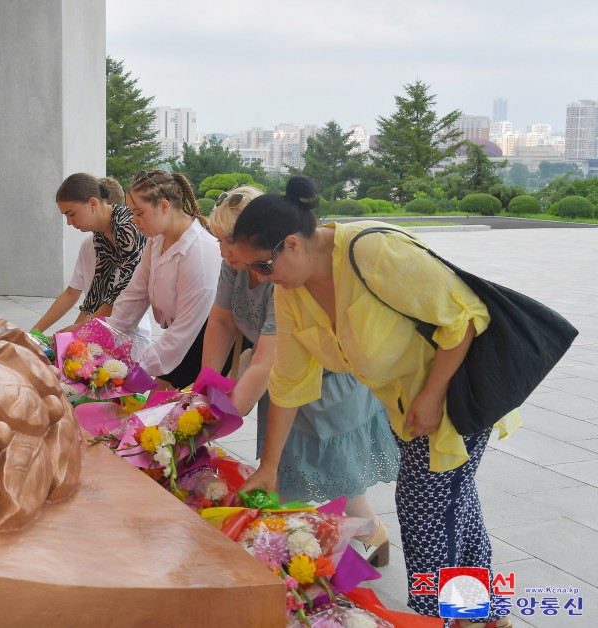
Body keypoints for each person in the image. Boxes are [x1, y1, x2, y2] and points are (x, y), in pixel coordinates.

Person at [231, 176, 519, 627]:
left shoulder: (372, 252)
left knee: (425, 513)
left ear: (291, 245)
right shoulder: (293, 290)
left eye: (261, 266)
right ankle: (485, 613)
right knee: (453, 503)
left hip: (456, 394)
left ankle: (440, 619)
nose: (257, 278)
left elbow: (464, 317)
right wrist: (268, 467)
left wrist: (432, 393)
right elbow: (288, 380)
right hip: (406, 408)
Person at [201, 184, 399, 566]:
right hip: (284, 380)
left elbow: (267, 359)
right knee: (284, 464)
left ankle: (321, 545)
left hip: (323, 377)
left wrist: (215, 420)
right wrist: (206, 388)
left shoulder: (281, 274)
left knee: (332, 463)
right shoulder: (238, 265)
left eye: (231, 241)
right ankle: (311, 544)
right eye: (221, 241)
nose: (226, 252)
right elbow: (222, 321)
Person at [106, 168, 228, 389]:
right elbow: (134, 295)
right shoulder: (156, 241)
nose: (134, 220)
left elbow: (185, 331)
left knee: (160, 414)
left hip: (205, 343)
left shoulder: (199, 252)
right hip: (181, 339)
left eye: (139, 213)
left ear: (164, 205)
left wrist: (139, 368)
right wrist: (105, 341)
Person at [32, 174, 151, 349]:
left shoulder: (127, 228)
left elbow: (121, 294)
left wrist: (76, 330)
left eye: (72, 214)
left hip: (131, 334)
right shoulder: (100, 235)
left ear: (93, 203)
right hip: (108, 328)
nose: (69, 222)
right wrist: (39, 334)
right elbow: (95, 295)